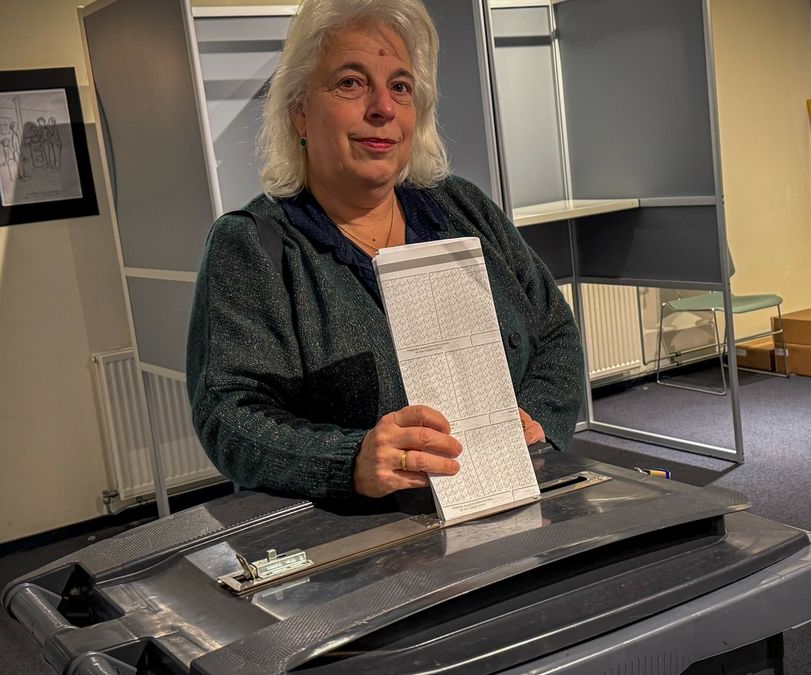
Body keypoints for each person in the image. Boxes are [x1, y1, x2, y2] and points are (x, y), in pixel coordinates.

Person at [186, 0, 583, 502]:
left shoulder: (463, 207)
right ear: (300, 111)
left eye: (400, 87)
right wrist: (351, 460)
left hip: (515, 501)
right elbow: (229, 415)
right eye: (351, 83)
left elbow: (553, 330)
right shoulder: (252, 247)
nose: (384, 108)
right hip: (366, 551)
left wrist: (538, 421)